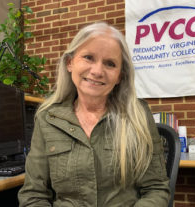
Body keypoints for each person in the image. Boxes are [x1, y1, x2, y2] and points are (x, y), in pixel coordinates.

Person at [18, 22, 170, 206]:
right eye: (89, 57)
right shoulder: (48, 119)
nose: (97, 71)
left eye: (110, 64)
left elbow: (156, 189)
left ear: (119, 76)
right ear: (70, 63)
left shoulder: (137, 115)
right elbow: (34, 195)